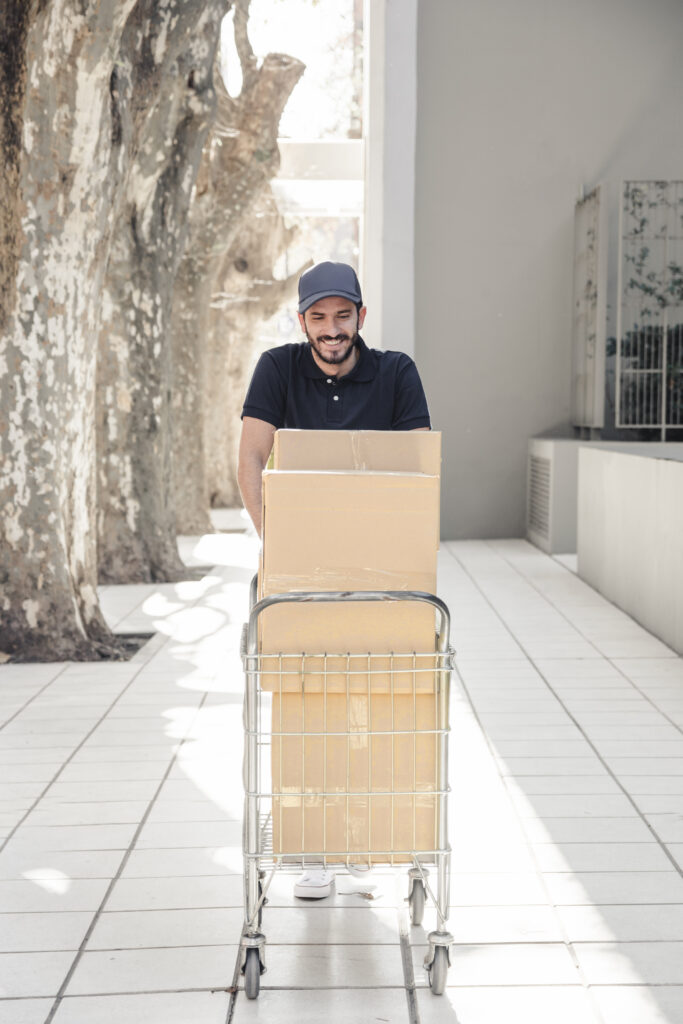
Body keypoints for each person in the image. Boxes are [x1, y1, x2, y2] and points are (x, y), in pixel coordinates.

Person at [237, 261, 431, 898]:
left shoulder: (397, 372)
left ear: (360, 318)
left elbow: (414, 469)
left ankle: (361, 841)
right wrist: (281, 546)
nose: (330, 328)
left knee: (372, 704)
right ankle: (312, 847)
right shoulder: (277, 368)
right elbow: (251, 457)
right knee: (304, 699)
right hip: (301, 574)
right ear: (302, 322)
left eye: (341, 315)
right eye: (318, 317)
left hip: (381, 572)